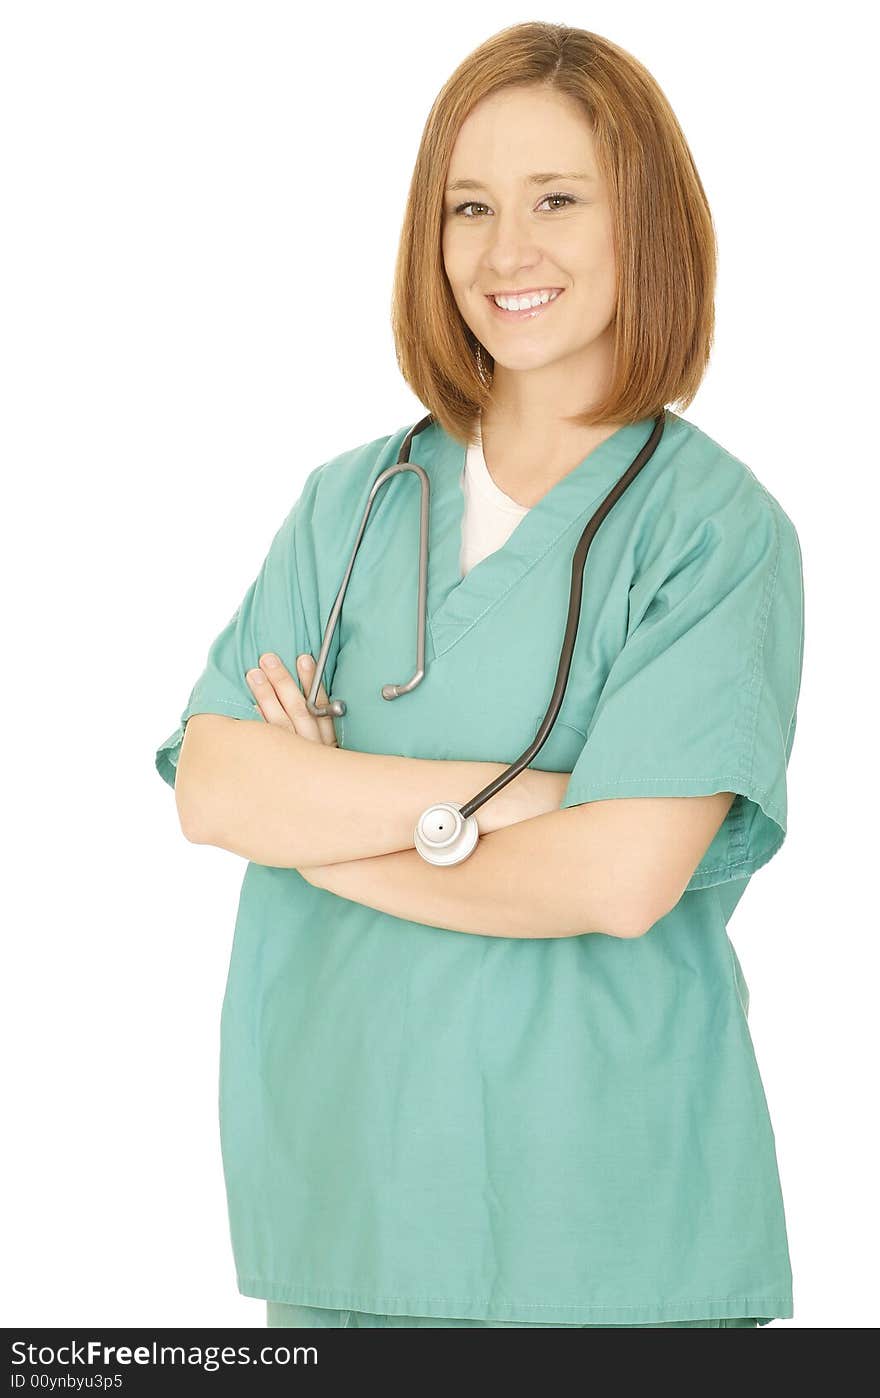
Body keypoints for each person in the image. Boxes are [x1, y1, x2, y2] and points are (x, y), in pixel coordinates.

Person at [155, 22, 805, 1329]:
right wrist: (523, 795)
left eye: (557, 200)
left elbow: (621, 878)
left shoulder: (716, 533)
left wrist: (328, 826)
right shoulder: (351, 505)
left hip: (615, 1231)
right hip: (348, 1202)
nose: (506, 251)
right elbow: (216, 784)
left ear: (647, 225)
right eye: (470, 206)